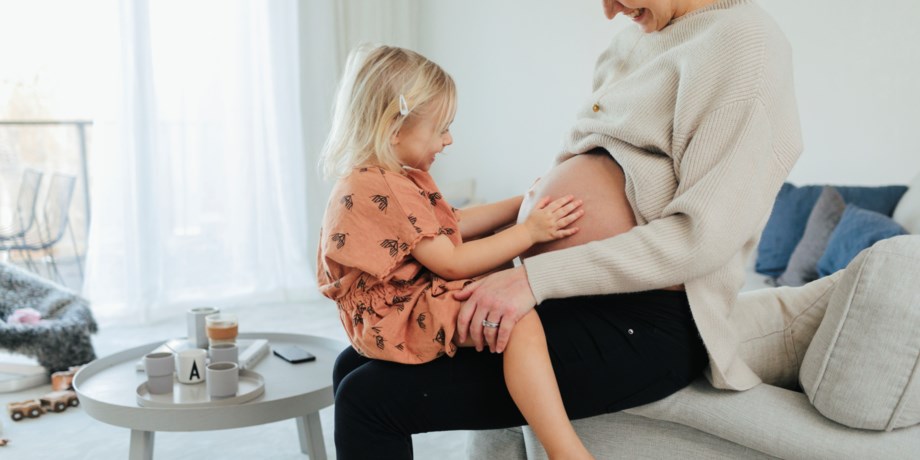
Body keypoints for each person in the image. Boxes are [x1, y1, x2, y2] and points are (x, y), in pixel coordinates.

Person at [332, 0, 803, 458]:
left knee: (368, 401)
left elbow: (700, 238)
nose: (608, 10)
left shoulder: (743, 45)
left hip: (647, 316)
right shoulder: (631, 42)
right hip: (569, 298)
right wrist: (525, 225)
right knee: (351, 364)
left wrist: (531, 279)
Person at [317, 45, 595, 459]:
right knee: (517, 318)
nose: (448, 141)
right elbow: (451, 262)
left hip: (383, 310)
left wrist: (522, 202)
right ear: (394, 129)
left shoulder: (375, 176)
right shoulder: (387, 186)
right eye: (441, 129)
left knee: (497, 281)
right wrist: (530, 231)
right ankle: (563, 449)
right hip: (398, 312)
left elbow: (452, 223)